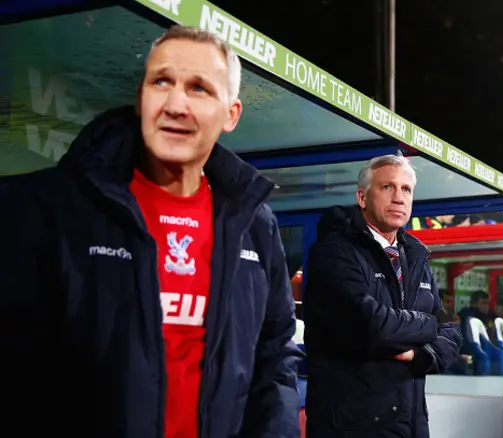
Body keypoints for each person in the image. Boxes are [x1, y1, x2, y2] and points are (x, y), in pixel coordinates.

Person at [0, 25, 303, 438]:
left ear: (231, 114)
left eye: (199, 88)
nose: (175, 104)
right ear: (141, 98)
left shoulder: (253, 223)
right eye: (161, 81)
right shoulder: (50, 207)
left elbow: (275, 353)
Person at [303, 154, 462, 438]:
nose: (399, 197)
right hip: (351, 427)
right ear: (362, 197)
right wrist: (427, 325)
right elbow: (371, 325)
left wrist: (418, 355)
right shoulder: (333, 253)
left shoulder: (416, 258)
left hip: (410, 425)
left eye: (406, 189)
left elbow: (451, 332)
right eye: (388, 187)